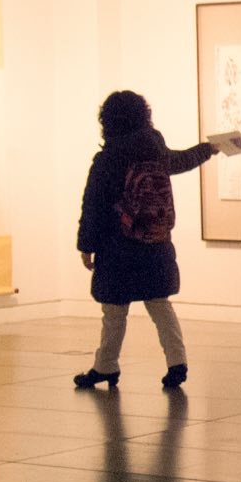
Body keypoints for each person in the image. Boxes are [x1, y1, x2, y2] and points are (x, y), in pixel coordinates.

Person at [74, 90, 217, 389]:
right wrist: (208, 149)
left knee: (114, 310)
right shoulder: (155, 149)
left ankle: (106, 365)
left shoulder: (108, 158)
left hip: (118, 244)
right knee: (160, 305)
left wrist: (86, 245)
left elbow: (94, 204)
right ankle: (177, 362)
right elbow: (181, 161)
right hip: (155, 241)